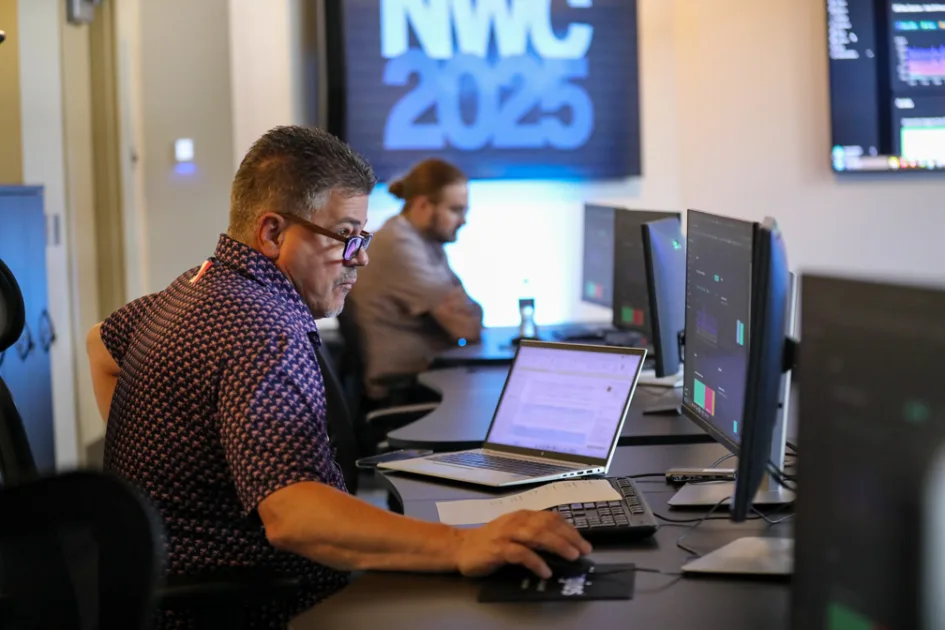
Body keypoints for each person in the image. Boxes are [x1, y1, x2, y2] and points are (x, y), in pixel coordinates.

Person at [86, 127, 589, 628]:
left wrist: (171, 474)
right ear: (272, 233)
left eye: (363, 237)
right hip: (257, 605)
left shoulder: (196, 284)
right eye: (346, 236)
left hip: (166, 592)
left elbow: (99, 345)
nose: (362, 257)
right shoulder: (264, 331)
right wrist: (464, 544)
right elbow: (296, 517)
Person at [348, 158, 483, 402]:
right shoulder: (399, 245)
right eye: (455, 210)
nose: (463, 221)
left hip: (424, 381)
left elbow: (472, 315)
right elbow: (467, 327)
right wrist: (462, 315)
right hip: (401, 393)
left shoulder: (426, 243)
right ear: (422, 206)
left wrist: (465, 313)